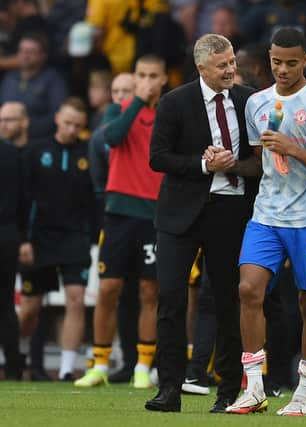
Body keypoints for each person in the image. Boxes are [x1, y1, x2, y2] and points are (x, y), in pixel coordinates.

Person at [224, 27, 306, 416]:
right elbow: (260, 162)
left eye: (291, 63)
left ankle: (305, 394)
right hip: (266, 214)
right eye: (277, 62)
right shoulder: (256, 104)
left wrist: (294, 149)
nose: (282, 69)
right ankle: (255, 387)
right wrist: (223, 163)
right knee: (248, 289)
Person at [144, 33, 260, 414]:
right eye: (222, 65)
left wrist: (234, 166)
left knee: (228, 301)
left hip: (231, 212)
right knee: (171, 298)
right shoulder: (175, 102)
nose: (230, 70)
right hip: (180, 214)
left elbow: (259, 161)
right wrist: (202, 164)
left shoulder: (249, 101)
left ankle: (227, 391)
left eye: (231, 63)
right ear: (201, 68)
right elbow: (158, 157)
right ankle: (169, 389)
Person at [74, 55, 167, 389]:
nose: (146, 80)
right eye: (141, 75)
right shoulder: (117, 111)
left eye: (152, 75)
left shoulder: (168, 115)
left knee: (149, 290)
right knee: (109, 289)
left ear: (164, 79)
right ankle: (99, 363)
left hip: (154, 214)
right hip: (118, 214)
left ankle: (143, 366)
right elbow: (111, 138)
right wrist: (137, 101)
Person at [18, 98, 94, 382]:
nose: (71, 129)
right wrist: (24, 240)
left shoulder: (87, 154)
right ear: (57, 119)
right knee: (30, 307)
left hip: (74, 238)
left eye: (77, 125)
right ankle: (13, 353)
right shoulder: (36, 151)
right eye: (67, 123)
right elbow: (24, 199)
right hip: (39, 238)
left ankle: (65, 369)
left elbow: (94, 199)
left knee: (75, 300)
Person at [0, 32, 67, 144]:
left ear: (43, 55)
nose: (25, 55)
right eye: (22, 51)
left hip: (39, 142)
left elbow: (57, 114)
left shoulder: (54, 80)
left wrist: (23, 128)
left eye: (30, 52)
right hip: (5, 140)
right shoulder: (9, 78)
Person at [0, 138, 26, 380]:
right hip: (8, 234)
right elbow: (24, 198)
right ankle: (13, 366)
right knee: (6, 304)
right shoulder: (12, 153)